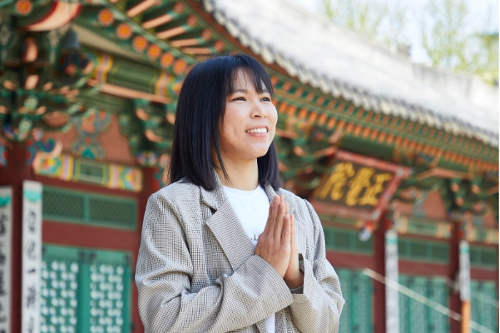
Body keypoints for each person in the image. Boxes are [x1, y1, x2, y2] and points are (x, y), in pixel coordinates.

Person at [135, 54, 344, 333]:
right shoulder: (174, 206)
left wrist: (295, 276)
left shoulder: (299, 211)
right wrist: (264, 273)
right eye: (240, 99)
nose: (260, 111)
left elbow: (328, 323)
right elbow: (165, 320)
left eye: (266, 98)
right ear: (204, 114)